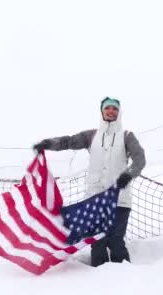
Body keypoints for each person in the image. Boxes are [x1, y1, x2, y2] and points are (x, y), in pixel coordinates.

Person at [33, 97, 146, 266]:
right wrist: (48, 144)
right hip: (95, 199)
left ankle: (125, 280)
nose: (111, 111)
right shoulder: (91, 135)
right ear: (102, 111)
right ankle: (97, 282)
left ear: (119, 112)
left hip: (119, 199)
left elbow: (140, 159)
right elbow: (68, 141)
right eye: (107, 108)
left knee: (115, 241)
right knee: (97, 242)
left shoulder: (127, 136)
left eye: (114, 109)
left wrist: (128, 175)